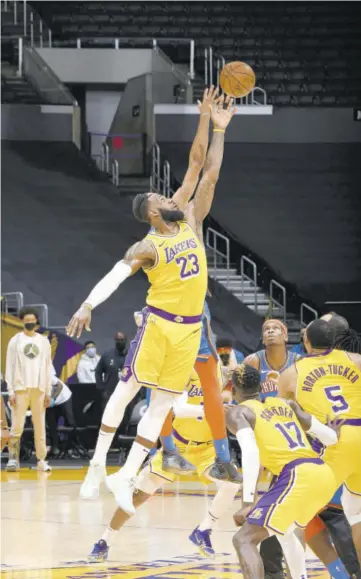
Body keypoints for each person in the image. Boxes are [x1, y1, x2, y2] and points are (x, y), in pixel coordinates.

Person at [67, 89, 239, 515]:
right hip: (159, 323)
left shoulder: (190, 219)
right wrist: (87, 305)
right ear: (152, 214)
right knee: (126, 392)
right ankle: (94, 466)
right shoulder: (146, 245)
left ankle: (126, 473)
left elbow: (204, 168)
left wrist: (215, 124)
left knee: (161, 403)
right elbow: (116, 273)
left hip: (190, 327)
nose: (170, 197)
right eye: (161, 200)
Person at [88, 368, 240, 562]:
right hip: (178, 447)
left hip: (207, 449)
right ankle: (104, 541)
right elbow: (178, 409)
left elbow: (241, 386)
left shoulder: (220, 372)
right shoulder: (183, 370)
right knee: (137, 496)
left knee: (232, 483)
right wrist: (212, 408)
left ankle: (203, 530)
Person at [227, 363, 339, 579]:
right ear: (260, 386)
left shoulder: (239, 412)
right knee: (287, 532)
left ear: (233, 390)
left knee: (243, 539)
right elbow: (330, 438)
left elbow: (251, 453)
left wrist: (248, 503)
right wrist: (330, 431)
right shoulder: (286, 403)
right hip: (322, 473)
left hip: (297, 474)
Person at [278, 319, 361, 567]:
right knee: (356, 514)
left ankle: (303, 573)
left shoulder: (291, 373)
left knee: (296, 516)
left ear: (306, 342)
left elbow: (282, 419)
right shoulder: (356, 360)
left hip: (332, 440)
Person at [5, 307, 52, 472]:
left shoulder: (43, 341)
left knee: (40, 426)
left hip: (39, 389)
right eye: (27, 320)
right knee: (16, 426)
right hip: (20, 389)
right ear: (22, 321)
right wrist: (10, 390)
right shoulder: (15, 341)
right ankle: (13, 459)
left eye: (32, 320)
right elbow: (9, 367)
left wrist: (48, 392)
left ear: (36, 321)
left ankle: (41, 460)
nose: (30, 323)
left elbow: (48, 367)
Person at [244, 319, 298, 399]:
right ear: (263, 340)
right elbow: (243, 395)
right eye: (266, 329)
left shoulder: (297, 361)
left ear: (285, 336)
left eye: (275, 328)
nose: (270, 331)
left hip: (289, 409)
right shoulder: (252, 361)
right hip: (261, 409)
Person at [95, 332, 128, 410]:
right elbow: (98, 371)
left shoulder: (131, 355)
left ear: (126, 340)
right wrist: (101, 387)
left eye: (122, 340)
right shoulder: (107, 355)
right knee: (108, 416)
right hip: (110, 392)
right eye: (117, 340)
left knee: (125, 417)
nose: (120, 342)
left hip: (126, 392)